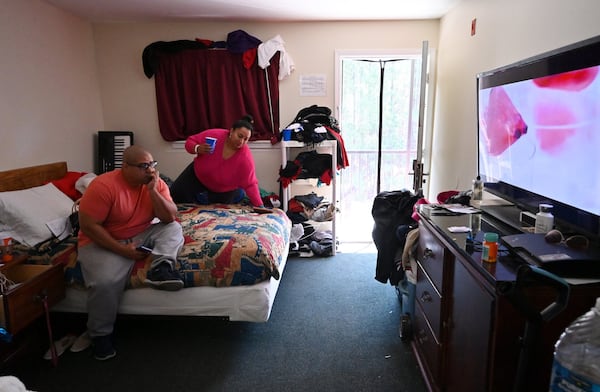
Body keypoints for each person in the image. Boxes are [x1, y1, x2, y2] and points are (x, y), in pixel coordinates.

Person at [78, 145, 184, 360]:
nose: (150, 171)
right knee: (104, 282)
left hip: (140, 232)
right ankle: (100, 335)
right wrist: (122, 250)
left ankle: (161, 268)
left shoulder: (155, 182)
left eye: (152, 165)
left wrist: (153, 191)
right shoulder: (103, 186)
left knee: (173, 229)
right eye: (143, 166)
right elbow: (88, 226)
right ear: (125, 166)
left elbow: (169, 218)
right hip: (102, 239)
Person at [169, 115, 264, 207]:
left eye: (246, 139)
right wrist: (197, 148)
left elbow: (250, 183)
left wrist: (260, 205)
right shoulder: (214, 135)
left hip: (223, 190)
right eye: (239, 136)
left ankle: (235, 193)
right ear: (231, 131)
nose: (241, 141)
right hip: (197, 176)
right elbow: (190, 142)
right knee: (172, 197)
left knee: (218, 208)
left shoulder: (245, 157)